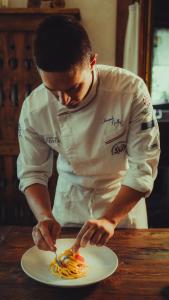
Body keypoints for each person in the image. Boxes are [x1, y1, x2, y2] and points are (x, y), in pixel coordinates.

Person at [17, 15, 160, 253]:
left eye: (73, 88)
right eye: (53, 91)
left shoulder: (130, 91)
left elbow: (143, 164)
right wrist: (44, 216)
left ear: (92, 62)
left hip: (121, 201)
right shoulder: (34, 108)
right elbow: (32, 171)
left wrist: (110, 219)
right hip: (70, 204)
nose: (63, 101)